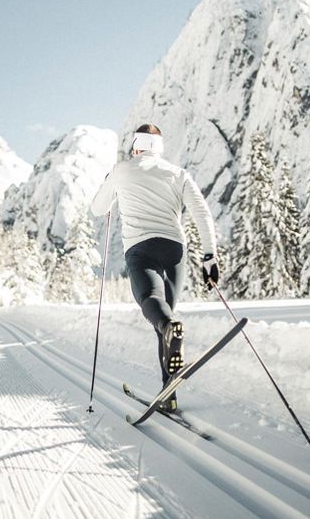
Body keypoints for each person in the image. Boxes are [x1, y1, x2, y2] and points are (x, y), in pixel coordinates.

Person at [90, 123, 220, 412]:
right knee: (166, 320)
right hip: (175, 249)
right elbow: (201, 212)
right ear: (159, 148)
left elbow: (98, 208)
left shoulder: (122, 169)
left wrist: (110, 181)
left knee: (155, 307)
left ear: (136, 146)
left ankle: (168, 378)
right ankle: (168, 392)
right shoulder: (178, 174)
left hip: (141, 249)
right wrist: (210, 256)